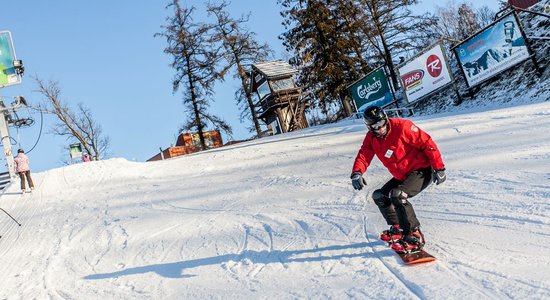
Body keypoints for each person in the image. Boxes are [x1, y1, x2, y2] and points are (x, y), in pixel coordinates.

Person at [350, 106, 446, 253]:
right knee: (380, 196)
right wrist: (357, 172)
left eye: (382, 123)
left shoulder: (402, 127)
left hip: (422, 170)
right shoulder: (372, 138)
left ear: (386, 119)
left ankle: (414, 235)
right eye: (375, 126)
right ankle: (398, 228)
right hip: (403, 175)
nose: (380, 128)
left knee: (398, 195)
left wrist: (439, 168)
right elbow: (364, 155)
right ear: (369, 127)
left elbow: (427, 143)